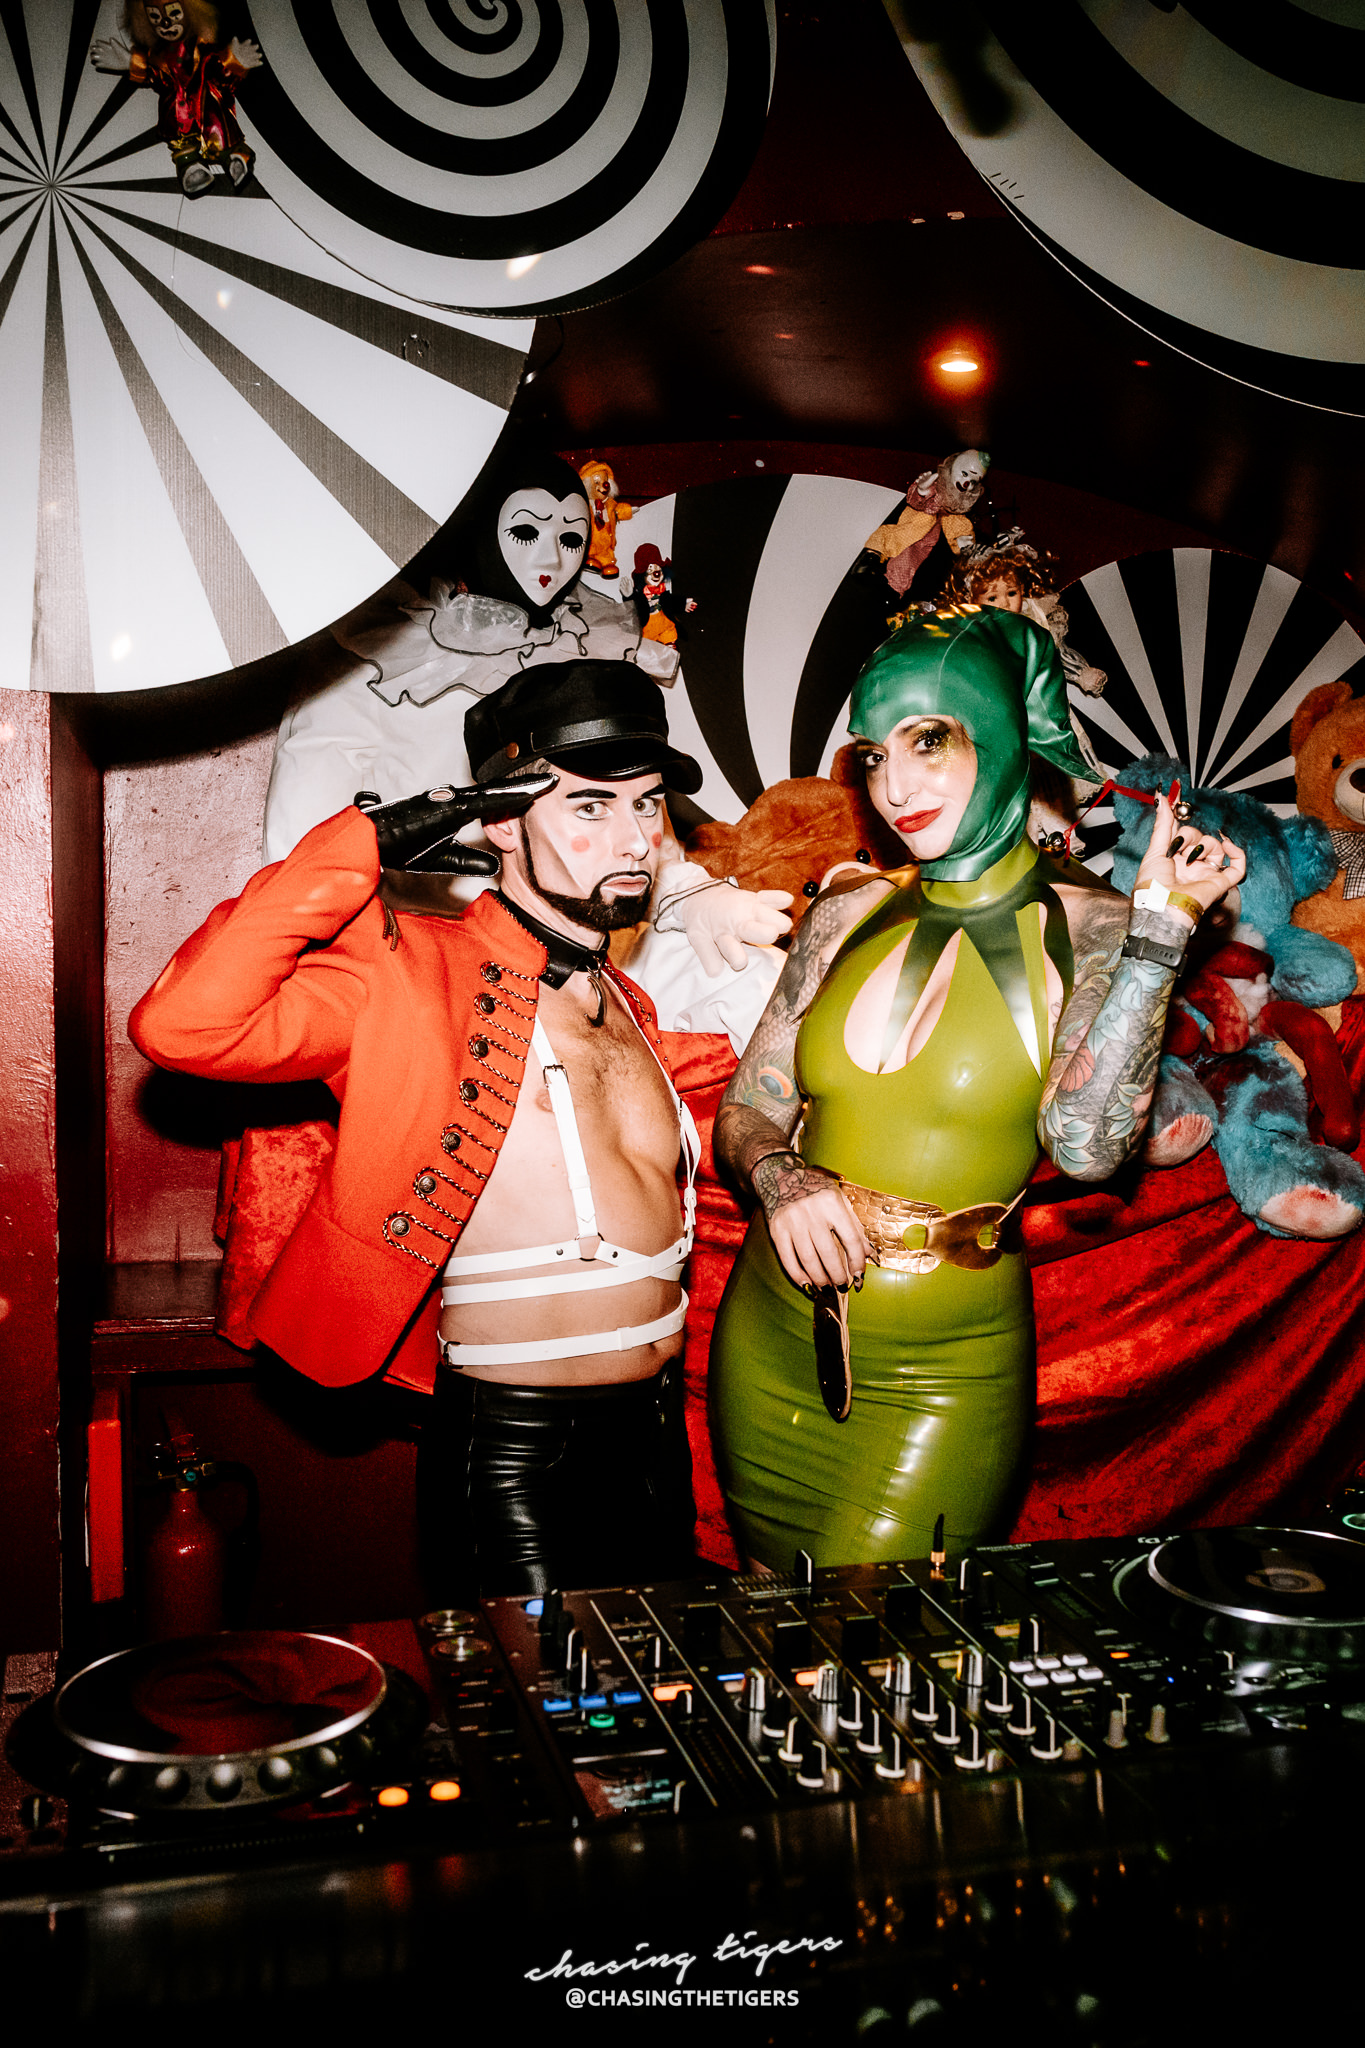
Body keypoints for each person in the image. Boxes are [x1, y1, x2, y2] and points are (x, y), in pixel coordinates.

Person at [131, 663, 719, 1598]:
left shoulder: (628, 1001)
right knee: (533, 1692)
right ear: (504, 821)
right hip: (513, 1449)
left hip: (653, 1437)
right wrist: (370, 840)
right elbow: (184, 1027)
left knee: (657, 1688)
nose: (634, 839)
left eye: (646, 805)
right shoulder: (409, 972)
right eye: (590, 806)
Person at [708, 605, 1245, 1570]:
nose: (895, 786)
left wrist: (1162, 932)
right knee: (769, 1626)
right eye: (874, 755)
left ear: (997, 735)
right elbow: (749, 1106)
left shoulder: (1098, 928)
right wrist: (781, 1178)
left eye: (929, 741)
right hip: (767, 1334)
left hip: (944, 1367)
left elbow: (1087, 1148)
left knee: (877, 1636)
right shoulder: (845, 909)